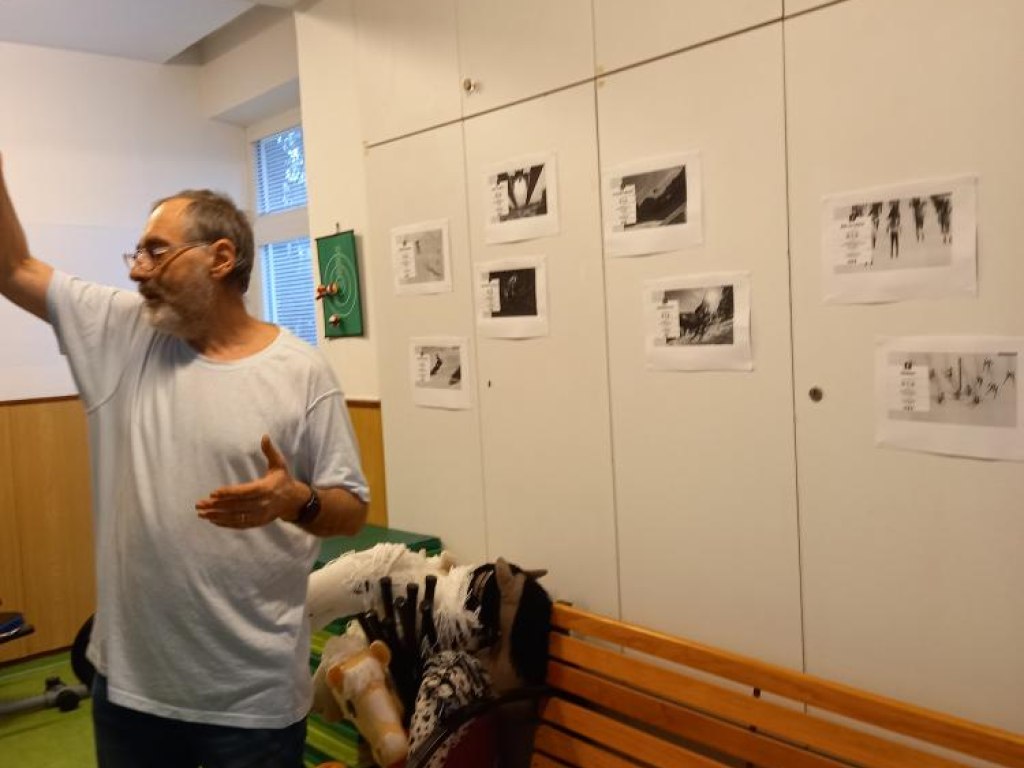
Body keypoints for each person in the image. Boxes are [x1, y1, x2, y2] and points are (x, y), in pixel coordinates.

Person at [0, 154, 369, 768]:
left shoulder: (301, 372)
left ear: (220, 258)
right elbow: (12, 267)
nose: (137, 270)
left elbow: (350, 511)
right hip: (131, 694)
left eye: (156, 252)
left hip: (251, 703)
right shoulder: (123, 333)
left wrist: (295, 500)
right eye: (136, 253)